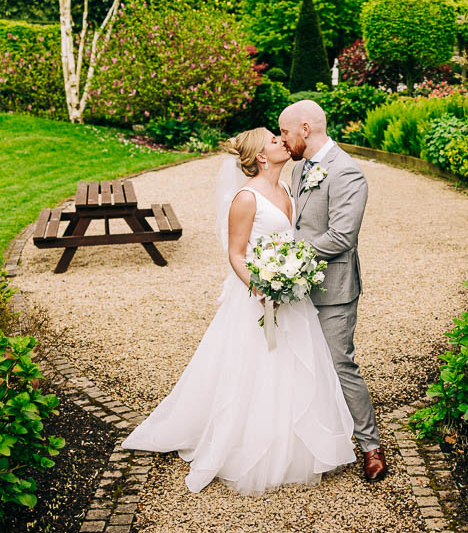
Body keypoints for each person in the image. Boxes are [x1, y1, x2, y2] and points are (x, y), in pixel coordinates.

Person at [119, 127, 357, 496]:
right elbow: (236, 253)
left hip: (291, 294)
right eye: (275, 141)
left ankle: (296, 445)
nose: (282, 141)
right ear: (262, 156)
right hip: (257, 297)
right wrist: (261, 287)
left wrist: (291, 278)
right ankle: (249, 445)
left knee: (295, 363)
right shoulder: (246, 198)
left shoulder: (288, 189)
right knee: (254, 367)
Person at [280, 100, 387, 482]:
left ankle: (371, 446)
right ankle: (315, 439)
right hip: (296, 284)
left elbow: (342, 236)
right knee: (300, 361)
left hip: (334, 288)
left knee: (340, 364)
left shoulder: (347, 172)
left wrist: (289, 258)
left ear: (305, 129)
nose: (283, 139)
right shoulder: (298, 170)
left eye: (286, 132)